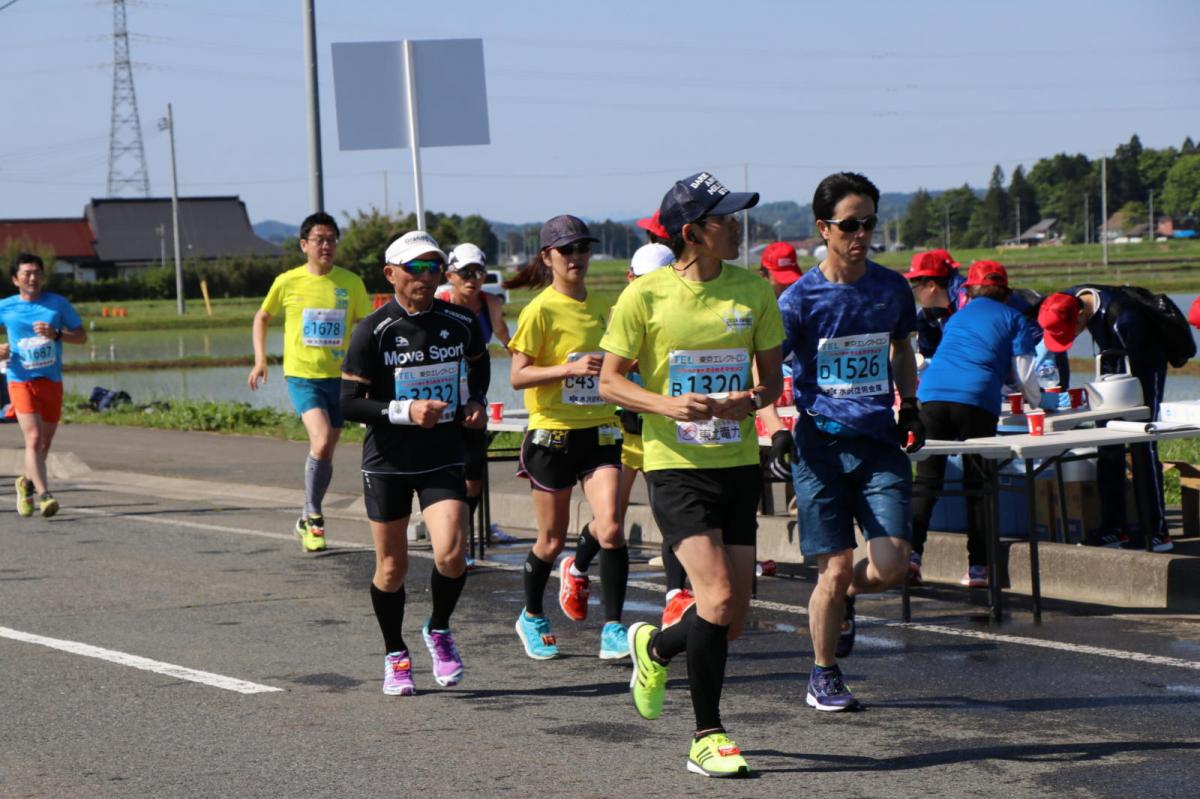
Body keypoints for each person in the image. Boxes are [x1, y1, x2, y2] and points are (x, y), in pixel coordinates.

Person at [601, 171, 783, 777]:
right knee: (718, 596)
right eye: (724, 219)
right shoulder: (645, 296)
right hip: (676, 466)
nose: (737, 228)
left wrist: (746, 402)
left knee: (730, 620)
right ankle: (708, 737)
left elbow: (771, 385)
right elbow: (610, 382)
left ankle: (654, 647)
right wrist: (668, 404)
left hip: (737, 462)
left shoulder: (753, 291)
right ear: (691, 233)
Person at [777, 172, 924, 713]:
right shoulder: (798, 300)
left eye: (869, 223)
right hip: (820, 445)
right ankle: (823, 674)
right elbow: (765, 369)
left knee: (891, 565)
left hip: (879, 443)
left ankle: (846, 599)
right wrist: (775, 425)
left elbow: (901, 348)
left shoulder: (891, 288)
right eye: (849, 225)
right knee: (834, 569)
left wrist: (911, 404)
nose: (861, 234)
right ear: (824, 228)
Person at [339, 230, 489, 695]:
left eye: (433, 267)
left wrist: (475, 400)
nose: (425, 276)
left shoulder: (460, 320)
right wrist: (405, 411)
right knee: (392, 568)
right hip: (388, 461)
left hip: (442, 454)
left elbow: (479, 363)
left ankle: (438, 628)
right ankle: (395, 653)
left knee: (452, 554)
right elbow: (348, 403)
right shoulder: (372, 331)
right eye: (415, 268)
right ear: (391, 274)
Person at [505, 215, 630, 661]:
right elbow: (518, 376)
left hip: (600, 429)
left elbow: (619, 361)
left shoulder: (604, 305)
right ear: (548, 257)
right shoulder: (539, 310)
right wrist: (569, 368)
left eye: (583, 248)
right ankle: (532, 615)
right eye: (566, 250)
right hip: (552, 435)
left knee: (611, 527)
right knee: (551, 540)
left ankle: (612, 628)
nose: (576, 257)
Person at [910, 261, 1050, 587]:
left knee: (927, 482)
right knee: (979, 484)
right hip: (976, 399)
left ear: (970, 291)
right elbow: (1025, 375)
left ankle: (911, 556)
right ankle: (978, 568)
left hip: (931, 395)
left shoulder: (957, 317)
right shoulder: (1014, 318)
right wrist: (1038, 402)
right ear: (1006, 292)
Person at [249, 212, 371, 552]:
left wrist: (368, 372)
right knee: (320, 440)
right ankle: (315, 516)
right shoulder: (287, 281)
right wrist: (261, 359)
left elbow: (365, 328)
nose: (326, 246)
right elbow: (262, 316)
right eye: (319, 240)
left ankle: (305, 515)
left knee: (326, 451)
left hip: (340, 377)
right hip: (303, 376)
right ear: (304, 245)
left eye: (331, 240)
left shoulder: (351, 282)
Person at [1037, 288, 1172, 552]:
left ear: (1080, 317)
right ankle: (1113, 527)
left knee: (1142, 445)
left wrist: (1124, 402)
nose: (1072, 337)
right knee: (1107, 446)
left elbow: (1139, 364)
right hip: (1112, 369)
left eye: (1069, 333)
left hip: (1145, 368)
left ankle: (1156, 531)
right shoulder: (1069, 299)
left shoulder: (1125, 317)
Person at [0, 253, 87, 517]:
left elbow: (81, 336)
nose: (33, 278)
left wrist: (57, 334)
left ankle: (25, 484)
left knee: (45, 443)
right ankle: (45, 495)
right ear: (15, 279)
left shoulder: (57, 304)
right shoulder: (5, 306)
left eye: (37, 272)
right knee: (34, 437)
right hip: (20, 379)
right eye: (26, 273)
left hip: (51, 380)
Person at [439, 243, 511, 549]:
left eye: (478, 272)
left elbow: (508, 341)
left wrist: (534, 369)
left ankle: (462, 538)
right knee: (442, 473)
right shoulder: (439, 302)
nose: (473, 279)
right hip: (440, 395)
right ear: (450, 276)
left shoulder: (490, 303)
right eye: (465, 273)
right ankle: (446, 534)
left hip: (473, 395)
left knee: (473, 477)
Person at [904, 249, 963, 360]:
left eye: (915, 287)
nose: (914, 292)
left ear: (931, 286)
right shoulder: (929, 312)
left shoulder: (966, 304)